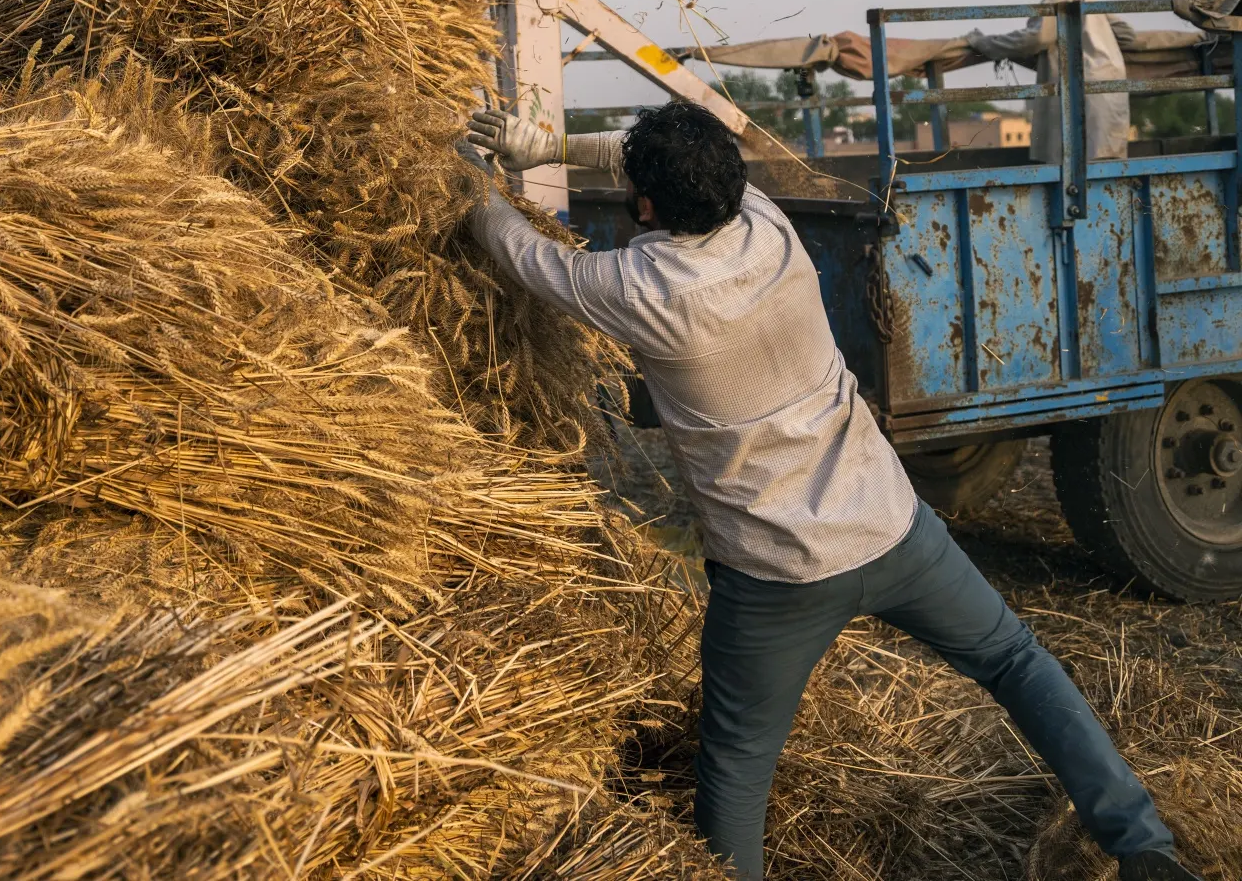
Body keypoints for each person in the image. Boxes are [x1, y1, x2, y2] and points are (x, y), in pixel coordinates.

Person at [461, 100, 1194, 881]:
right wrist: (556, 145)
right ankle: (1142, 848)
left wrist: (473, 181)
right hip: (894, 527)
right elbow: (685, 159)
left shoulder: (642, 288)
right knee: (1017, 662)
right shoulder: (766, 224)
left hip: (776, 575)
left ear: (644, 208)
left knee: (738, 772)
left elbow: (520, 252)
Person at [965, 0, 1129, 162]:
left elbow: (1037, 37)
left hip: (1086, 89)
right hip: (1103, 86)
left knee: (1082, 167)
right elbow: (1125, 33)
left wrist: (982, 43)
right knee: (1101, 165)